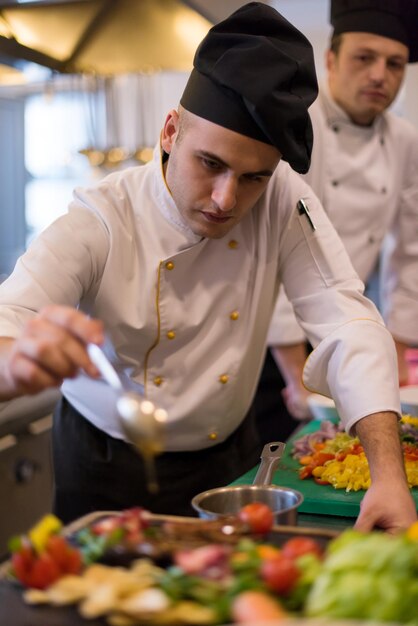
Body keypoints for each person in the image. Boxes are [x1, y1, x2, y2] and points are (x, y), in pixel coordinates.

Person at [0, 2, 415, 531]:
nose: (226, 198)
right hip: (108, 461)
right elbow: (9, 317)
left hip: (230, 457)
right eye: (211, 164)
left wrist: (387, 475)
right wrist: (17, 363)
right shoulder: (101, 218)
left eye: (252, 178)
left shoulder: (281, 197)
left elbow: (347, 319)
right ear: (171, 131)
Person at [257, 0, 418, 438]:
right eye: (364, 58)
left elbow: (412, 253)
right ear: (330, 59)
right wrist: (294, 372)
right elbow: (274, 244)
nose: (380, 75)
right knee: (279, 452)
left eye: (395, 64)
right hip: (269, 344)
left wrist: (397, 356)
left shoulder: (405, 140)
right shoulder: (295, 122)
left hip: (346, 330)